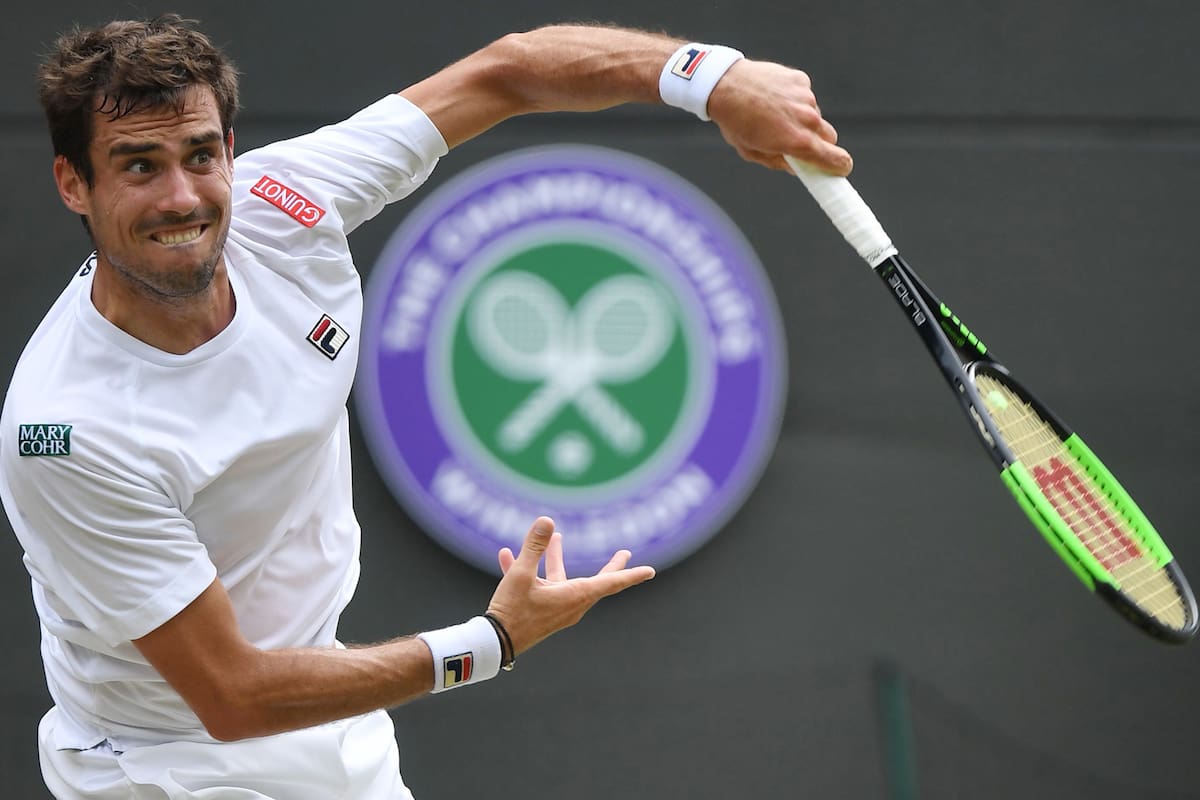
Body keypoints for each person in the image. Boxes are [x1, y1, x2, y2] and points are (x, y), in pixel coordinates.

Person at [0, 14, 853, 799]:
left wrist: (715, 79)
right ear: (74, 183)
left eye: (198, 155)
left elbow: (507, 73)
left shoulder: (286, 204)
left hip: (332, 735)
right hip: (164, 767)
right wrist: (492, 642)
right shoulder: (69, 432)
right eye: (139, 166)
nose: (182, 197)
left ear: (230, 149)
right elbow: (231, 696)